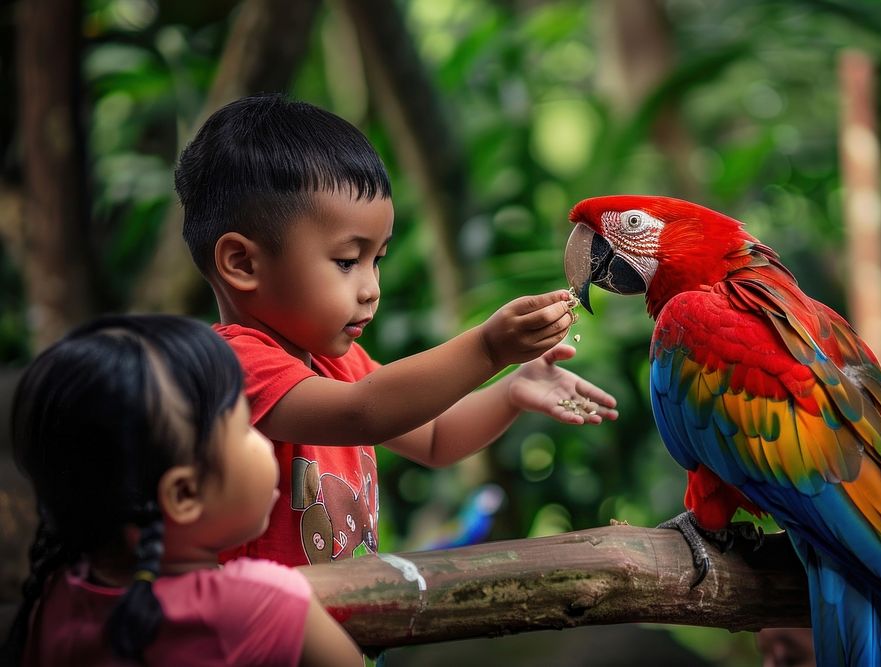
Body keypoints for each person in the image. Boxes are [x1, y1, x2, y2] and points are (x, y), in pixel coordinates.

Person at [176, 93, 618, 567]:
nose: (371, 288)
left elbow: (435, 438)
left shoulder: (336, 362)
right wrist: (488, 349)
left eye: (377, 259)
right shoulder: (233, 369)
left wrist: (512, 389)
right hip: (266, 634)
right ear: (242, 263)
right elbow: (362, 414)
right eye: (347, 261)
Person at [1, 315, 363, 667]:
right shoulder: (264, 603)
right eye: (245, 426)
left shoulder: (53, 599)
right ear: (184, 495)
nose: (265, 442)